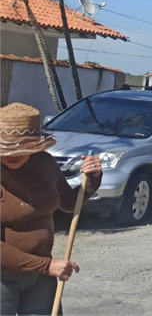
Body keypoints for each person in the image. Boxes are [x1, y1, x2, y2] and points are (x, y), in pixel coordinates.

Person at [1, 103, 102, 316]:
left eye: (22, 148)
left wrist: (92, 179)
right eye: (6, 148)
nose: (12, 154)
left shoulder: (45, 163)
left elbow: (68, 203)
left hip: (40, 279)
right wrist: (47, 266)